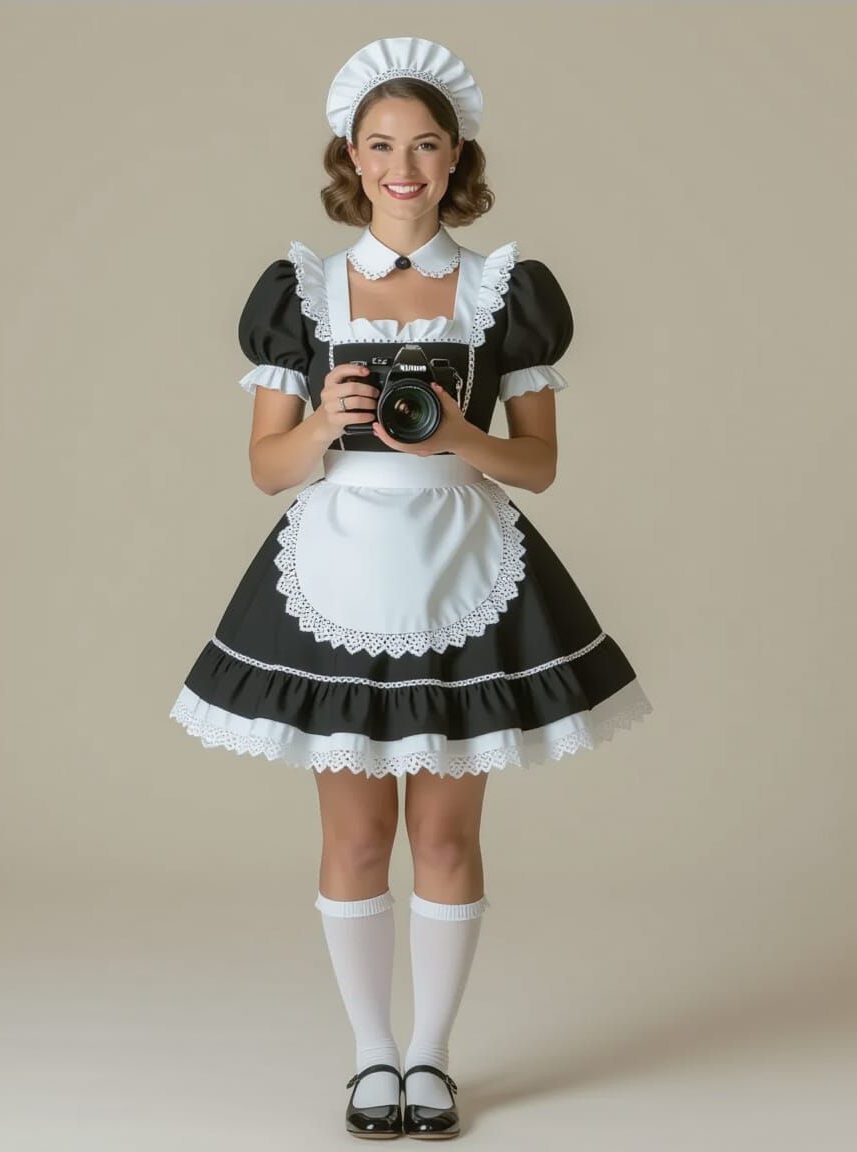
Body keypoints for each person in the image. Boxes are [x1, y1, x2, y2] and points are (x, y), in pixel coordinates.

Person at [169, 35, 654, 1140]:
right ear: (351, 155)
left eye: (426, 145)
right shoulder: (300, 290)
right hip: (335, 568)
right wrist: (325, 426)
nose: (403, 167)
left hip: (460, 564)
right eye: (381, 145)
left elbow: (538, 466)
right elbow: (266, 469)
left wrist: (459, 436)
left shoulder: (503, 290)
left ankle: (431, 1056)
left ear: (455, 157)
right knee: (352, 841)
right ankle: (370, 1058)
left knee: (443, 839)